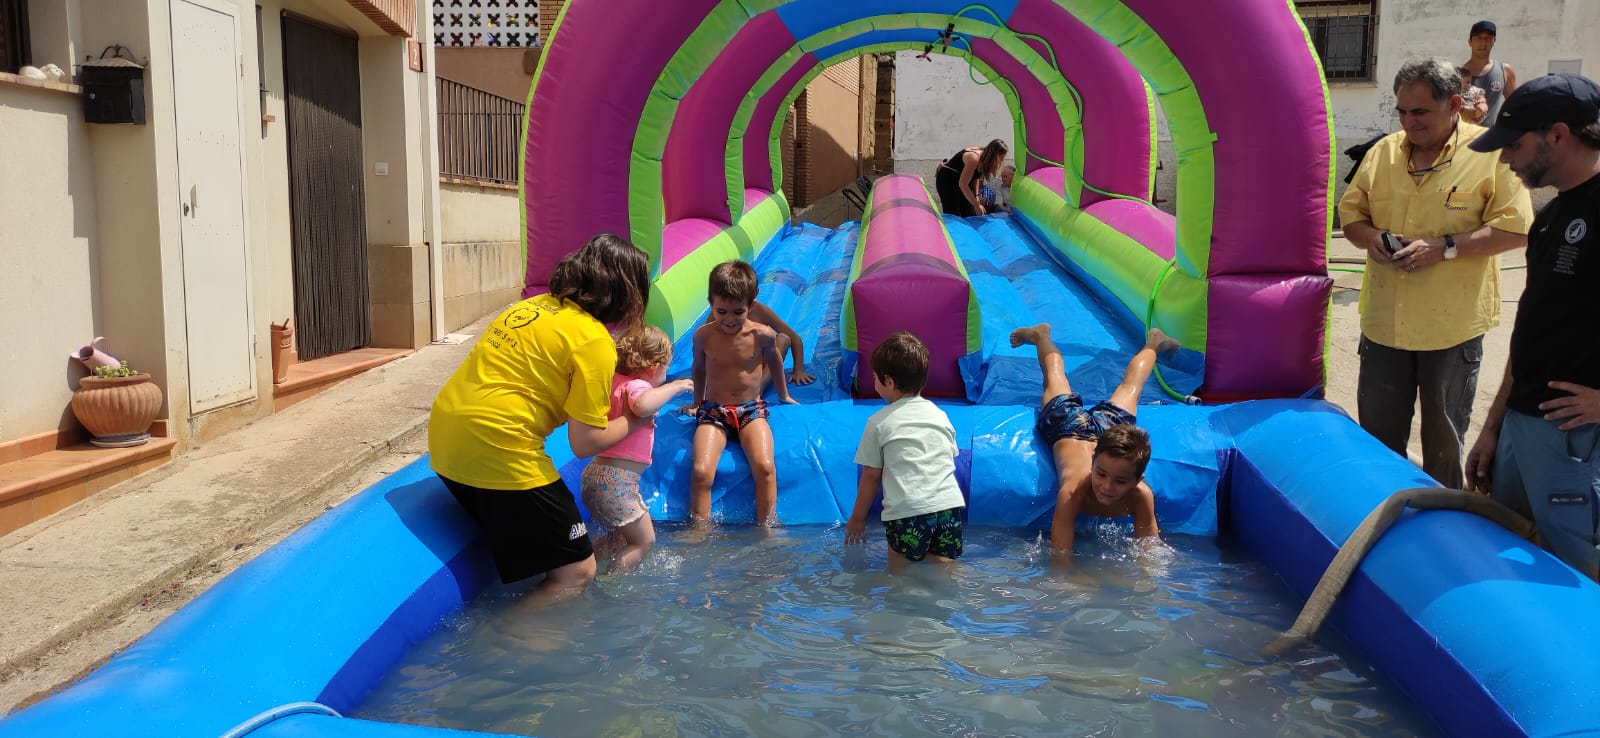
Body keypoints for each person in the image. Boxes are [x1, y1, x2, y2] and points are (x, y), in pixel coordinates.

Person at [1337, 58, 1533, 489]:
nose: (1409, 121)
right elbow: (1350, 215)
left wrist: (1444, 248)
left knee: (1444, 446)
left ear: (1455, 104)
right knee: (1378, 443)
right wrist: (1373, 238)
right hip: (1386, 325)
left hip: (1452, 329)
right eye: (1402, 111)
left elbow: (1514, 229)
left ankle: (1443, 526)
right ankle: (1380, 523)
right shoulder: (1384, 152)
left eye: (1420, 112)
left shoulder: (1491, 154)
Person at [429, 233, 650, 602]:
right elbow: (584, 444)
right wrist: (636, 420)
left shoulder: (531, 308)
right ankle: (505, 649)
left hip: (445, 443)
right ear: (628, 293)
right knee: (578, 572)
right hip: (499, 449)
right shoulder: (595, 341)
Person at [1464, 73, 1600, 580]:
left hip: (1574, 436)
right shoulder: (1547, 218)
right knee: (1510, 546)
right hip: (1524, 428)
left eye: (1514, 145)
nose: (1505, 159)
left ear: (1558, 135)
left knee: (1575, 568)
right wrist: (1496, 426)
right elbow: (1532, 327)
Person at [1011, 323, 1171, 558]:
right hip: (1067, 426)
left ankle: (1154, 342)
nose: (1106, 486)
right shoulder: (1072, 492)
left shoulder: (1141, 495)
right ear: (1094, 461)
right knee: (1054, 377)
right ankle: (1040, 335)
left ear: (1139, 479)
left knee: (1132, 387)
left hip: (1107, 432)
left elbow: (1150, 552)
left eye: (1120, 481)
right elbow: (1060, 556)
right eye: (1101, 474)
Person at [689, 260, 799, 526]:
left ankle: (767, 526)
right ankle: (699, 531)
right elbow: (699, 368)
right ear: (710, 302)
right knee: (701, 471)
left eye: (737, 311)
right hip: (714, 411)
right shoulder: (703, 336)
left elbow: (774, 363)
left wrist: (783, 395)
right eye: (721, 311)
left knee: (764, 467)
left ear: (752, 304)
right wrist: (697, 403)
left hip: (750, 409)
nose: (729, 319)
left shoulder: (762, 335)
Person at [844, 332, 966, 569]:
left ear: (888, 382)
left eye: (876, 378)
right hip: (949, 506)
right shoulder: (940, 415)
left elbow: (871, 475)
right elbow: (949, 459)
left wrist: (857, 519)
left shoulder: (879, 422)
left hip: (908, 512)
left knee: (900, 569)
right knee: (944, 567)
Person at [581, 326, 695, 574]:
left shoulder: (616, 382)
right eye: (666, 368)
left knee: (618, 539)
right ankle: (612, 583)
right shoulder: (638, 386)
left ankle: (586, 567)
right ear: (654, 366)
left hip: (595, 476)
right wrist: (674, 387)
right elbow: (643, 405)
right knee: (645, 541)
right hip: (616, 482)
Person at [704, 300, 814, 385]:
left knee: (783, 339)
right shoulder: (717, 314)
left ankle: (759, 388)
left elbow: (794, 337)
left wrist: (799, 370)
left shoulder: (760, 311)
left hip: (758, 365)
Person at [934, 139, 1008, 217]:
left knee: (969, 212)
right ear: (993, 155)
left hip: (962, 180)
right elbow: (963, 184)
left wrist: (976, 197)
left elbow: (976, 177)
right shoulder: (974, 158)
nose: (1002, 160)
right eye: (1001, 157)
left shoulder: (985, 161)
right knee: (954, 214)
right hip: (948, 180)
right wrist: (976, 205)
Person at [1461, 20, 1518, 122]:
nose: (1483, 43)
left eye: (1487, 38)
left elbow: (1514, 107)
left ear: (1494, 41)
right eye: (1478, 38)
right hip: (1463, 136)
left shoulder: (1505, 71)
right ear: (1470, 42)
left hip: (1491, 136)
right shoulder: (1458, 72)